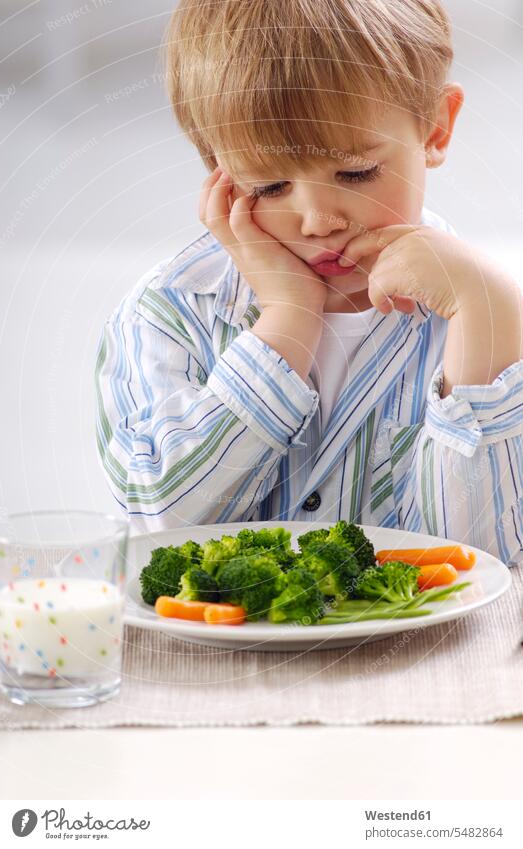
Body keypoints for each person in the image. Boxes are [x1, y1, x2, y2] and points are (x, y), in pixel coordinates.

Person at [95, 0, 522, 565]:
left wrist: (486, 312)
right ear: (218, 170)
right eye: (270, 186)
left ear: (436, 128)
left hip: (420, 654)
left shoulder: (479, 310)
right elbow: (156, 523)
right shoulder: (171, 312)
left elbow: (485, 563)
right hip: (220, 654)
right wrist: (288, 320)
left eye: (356, 172)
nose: (320, 220)